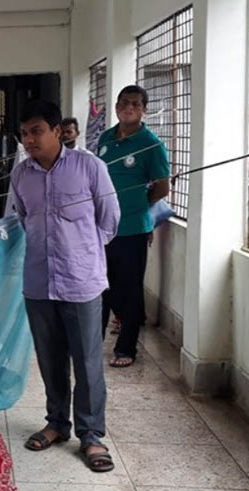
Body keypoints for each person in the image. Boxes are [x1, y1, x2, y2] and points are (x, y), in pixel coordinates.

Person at [8, 99, 120, 472]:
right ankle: (57, 423)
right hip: (39, 282)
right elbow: (21, 219)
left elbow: (109, 219)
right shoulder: (21, 175)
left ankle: (91, 435)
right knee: (50, 359)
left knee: (87, 362)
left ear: (57, 131)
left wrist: (83, 252)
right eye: (24, 133)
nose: (29, 140)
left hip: (81, 282)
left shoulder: (90, 167)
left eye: (37, 131)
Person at [97, 85, 170, 368]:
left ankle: (126, 348)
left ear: (144, 110)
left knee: (129, 290)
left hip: (133, 229)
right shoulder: (105, 138)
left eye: (135, 104)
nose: (128, 108)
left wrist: (136, 206)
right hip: (102, 228)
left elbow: (162, 188)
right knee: (100, 287)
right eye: (124, 103)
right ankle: (92, 344)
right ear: (116, 106)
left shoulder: (151, 144)